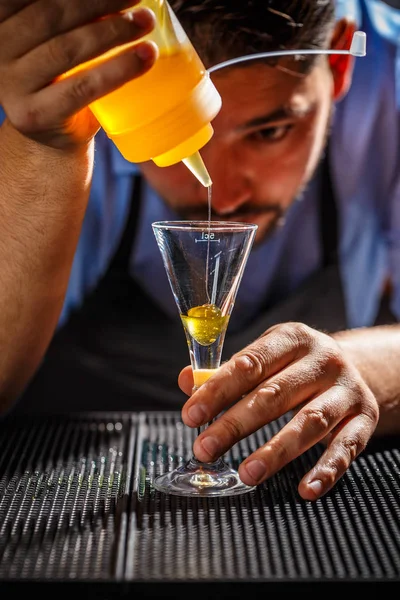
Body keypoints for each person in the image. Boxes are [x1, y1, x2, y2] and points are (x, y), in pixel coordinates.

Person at [0, 0, 399, 502]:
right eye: (174, 131)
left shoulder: (394, 81)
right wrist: (43, 146)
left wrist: (365, 366)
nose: (225, 196)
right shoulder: (51, 85)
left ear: (339, 63)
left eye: (269, 132)